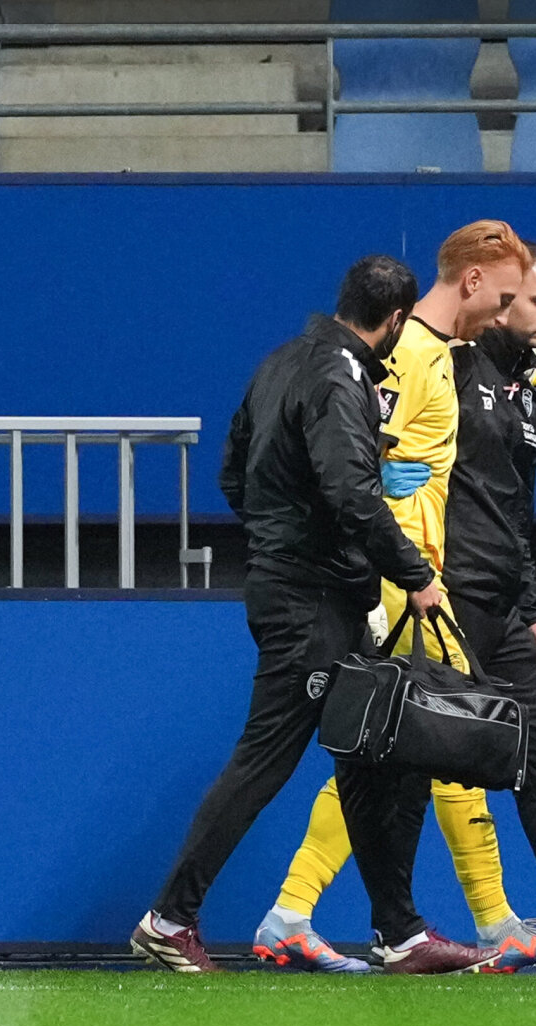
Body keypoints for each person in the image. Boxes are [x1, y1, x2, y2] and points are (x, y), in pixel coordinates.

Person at [265, 243, 536, 969]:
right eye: (533, 301)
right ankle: (314, 913)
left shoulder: (528, 395)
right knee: (414, 751)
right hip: (437, 588)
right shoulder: (441, 358)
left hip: (496, 599)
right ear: (491, 291)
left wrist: (532, 604)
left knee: (514, 750)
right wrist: (397, 549)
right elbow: (356, 451)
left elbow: (516, 510)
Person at [131, 255, 502, 976]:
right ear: (395, 320)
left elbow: (234, 475)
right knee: (266, 758)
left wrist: (282, 536)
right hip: (313, 600)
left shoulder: (278, 363)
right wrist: (415, 574)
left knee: (375, 757)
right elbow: (352, 495)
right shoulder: (341, 376)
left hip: (304, 589)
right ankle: (169, 920)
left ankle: (400, 932)